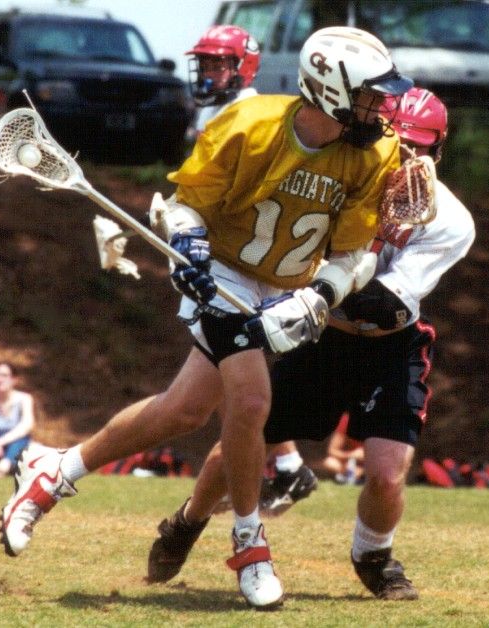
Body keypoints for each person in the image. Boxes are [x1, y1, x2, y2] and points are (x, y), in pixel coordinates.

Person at [0, 26, 412, 609]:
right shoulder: (249, 125)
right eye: (370, 95)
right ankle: (250, 544)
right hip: (224, 272)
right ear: (330, 90)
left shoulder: (375, 152)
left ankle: (54, 471)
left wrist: (318, 295)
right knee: (252, 402)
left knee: (184, 410)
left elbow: (354, 253)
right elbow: (186, 204)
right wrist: (188, 246)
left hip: (287, 285)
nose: (382, 107)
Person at [146, 87, 475, 602]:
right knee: (245, 439)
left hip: (391, 344)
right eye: (400, 146)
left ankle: (374, 557)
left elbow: (385, 302)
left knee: (388, 474)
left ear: (439, 151)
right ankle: (188, 521)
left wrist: (312, 294)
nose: (407, 161)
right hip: (325, 338)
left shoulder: (451, 221)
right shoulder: (346, 177)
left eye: (420, 150)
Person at [188, 24, 319, 517]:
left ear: (243, 67)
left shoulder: (249, 114)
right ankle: (287, 465)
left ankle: (284, 467)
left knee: (218, 386)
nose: (208, 72)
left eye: (218, 64)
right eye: (204, 63)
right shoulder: (213, 112)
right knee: (229, 379)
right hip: (214, 256)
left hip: (241, 262)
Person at [315, 412, 365, 484]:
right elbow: (332, 450)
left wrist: (363, 470)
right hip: (349, 464)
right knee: (329, 462)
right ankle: (349, 476)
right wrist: (352, 455)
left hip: (371, 465)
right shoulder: (346, 420)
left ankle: (358, 476)